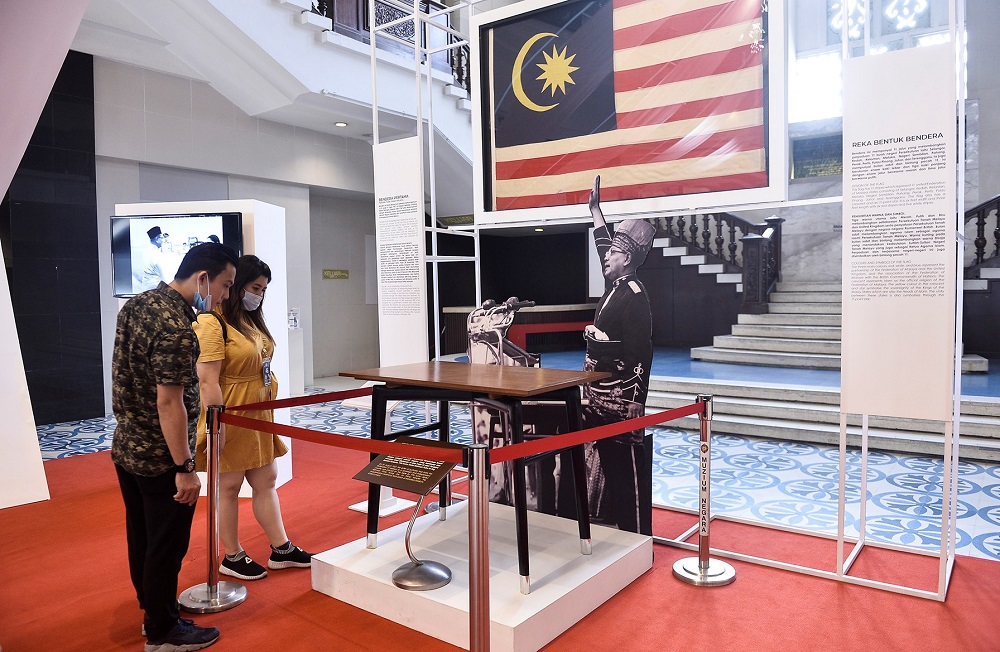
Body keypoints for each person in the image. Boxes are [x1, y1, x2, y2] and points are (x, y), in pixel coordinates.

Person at [112, 242, 238, 652]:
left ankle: (154, 609)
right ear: (203, 278)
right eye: (224, 285)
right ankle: (164, 631)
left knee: (143, 536)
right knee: (167, 544)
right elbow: (170, 402)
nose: (223, 297)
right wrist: (185, 467)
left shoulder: (138, 304)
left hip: (127, 446)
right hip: (160, 456)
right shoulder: (177, 329)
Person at [193, 254, 312, 581]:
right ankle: (232, 555)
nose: (258, 294)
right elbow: (208, 380)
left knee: (266, 479)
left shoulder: (250, 320)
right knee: (229, 485)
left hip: (258, 411)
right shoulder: (211, 322)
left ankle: (281, 548)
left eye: (263, 289)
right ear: (236, 285)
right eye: (254, 287)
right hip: (231, 412)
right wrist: (218, 425)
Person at [583, 175, 656, 535]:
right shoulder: (617, 284)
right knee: (605, 467)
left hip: (618, 400)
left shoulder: (635, 294)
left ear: (626, 258)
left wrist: (635, 402)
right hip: (596, 395)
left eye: (612, 252)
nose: (605, 256)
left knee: (624, 473)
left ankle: (636, 536)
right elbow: (602, 245)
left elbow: (642, 352)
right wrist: (596, 211)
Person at [134, 226, 170, 292]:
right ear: (157, 239)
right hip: (155, 289)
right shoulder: (156, 254)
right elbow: (164, 276)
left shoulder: (147, 250)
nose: (163, 240)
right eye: (162, 238)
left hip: (145, 288)